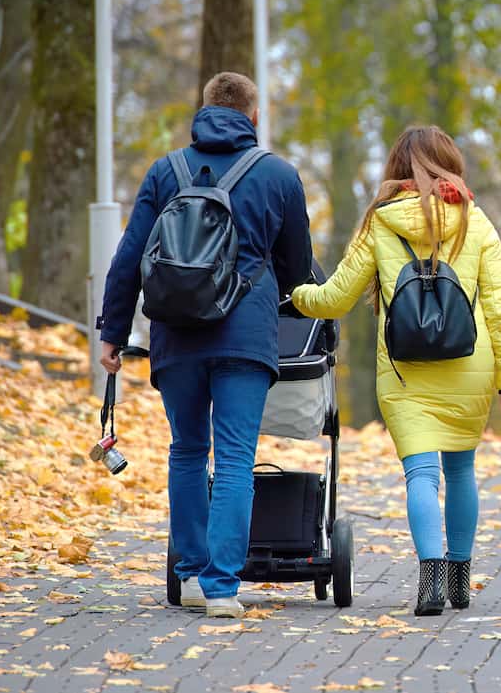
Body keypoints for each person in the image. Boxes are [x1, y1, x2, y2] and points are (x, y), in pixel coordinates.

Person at [98, 72, 313, 616]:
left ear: (203, 110)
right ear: (254, 116)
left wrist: (112, 334)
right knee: (236, 457)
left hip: (176, 334)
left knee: (188, 452)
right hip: (244, 336)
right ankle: (222, 588)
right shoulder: (279, 176)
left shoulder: (165, 171)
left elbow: (129, 259)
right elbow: (296, 269)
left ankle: (190, 575)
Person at [291, 125, 501, 616]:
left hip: (404, 370)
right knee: (461, 470)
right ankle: (461, 580)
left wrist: (297, 295)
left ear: (395, 170)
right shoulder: (475, 222)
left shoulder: (381, 223)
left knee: (421, 473)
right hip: (471, 364)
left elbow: (335, 298)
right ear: (451, 165)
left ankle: (431, 582)